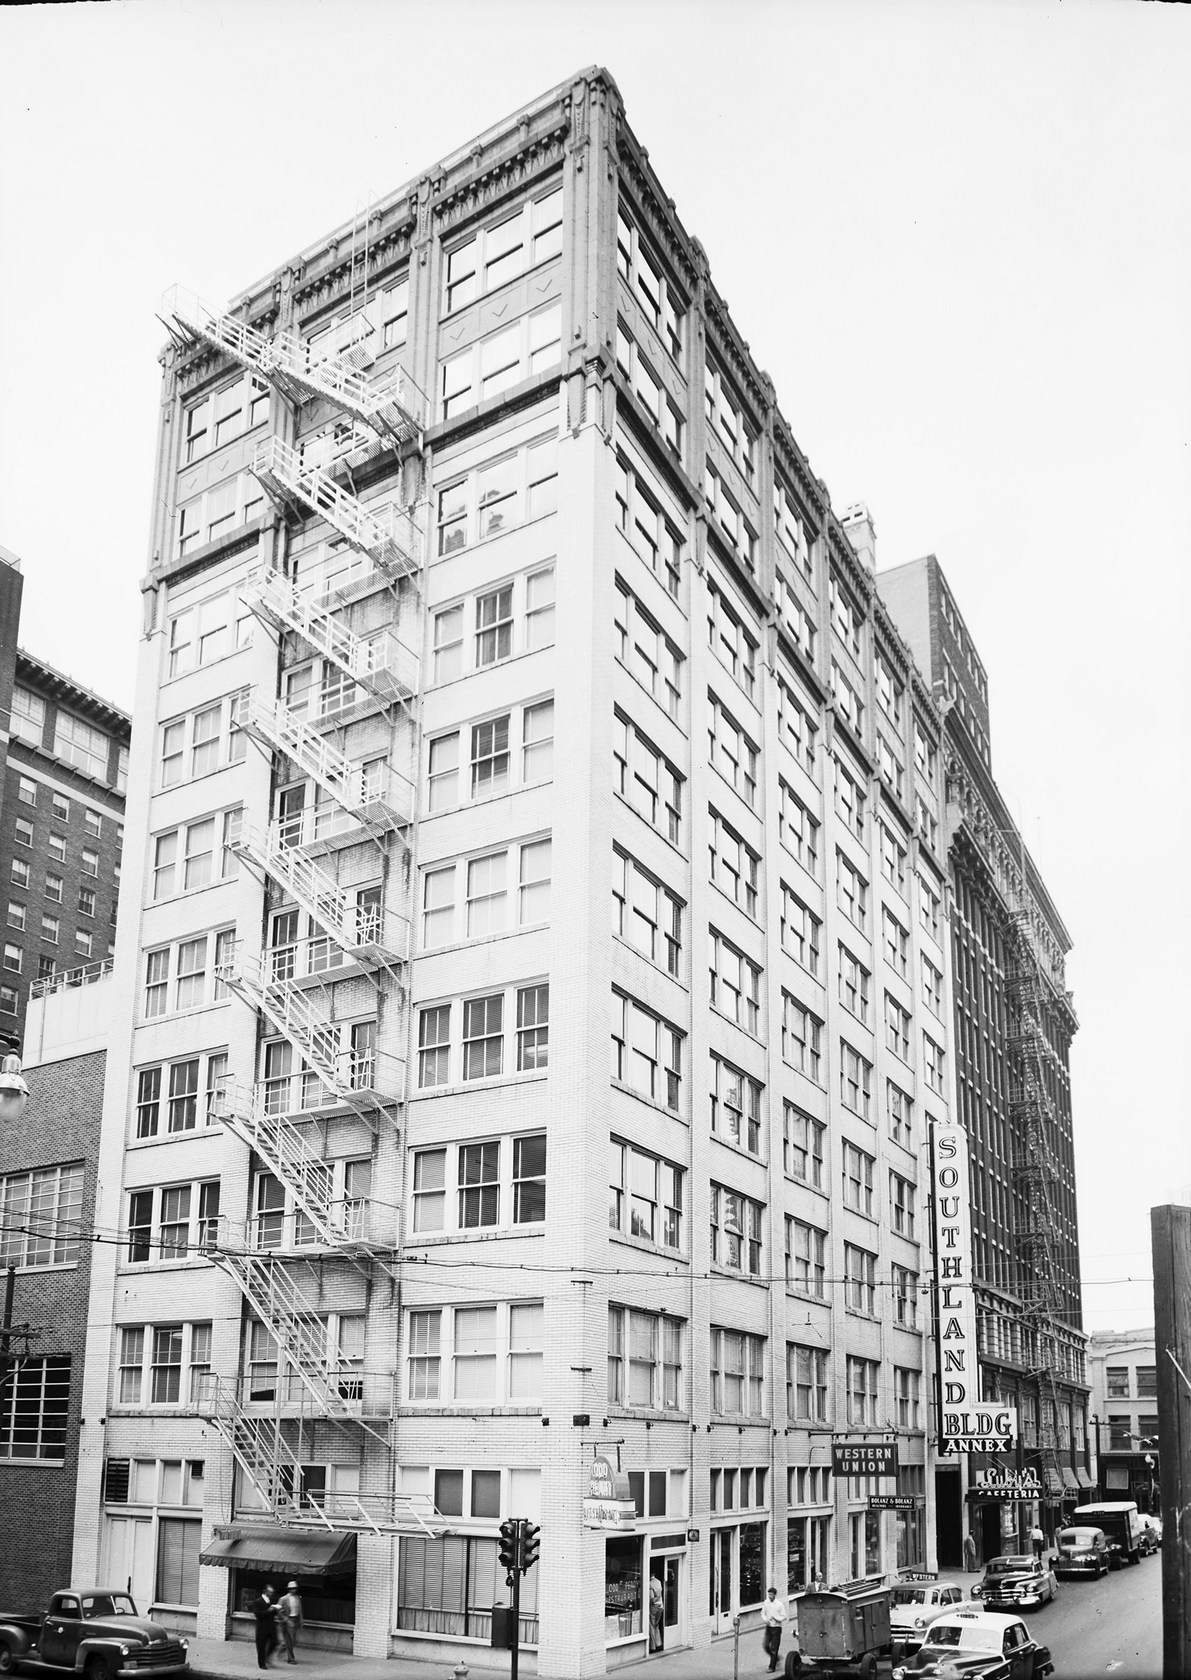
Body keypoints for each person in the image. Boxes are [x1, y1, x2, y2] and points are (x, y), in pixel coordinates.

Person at [248, 1585, 276, 1670]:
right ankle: (262, 1664)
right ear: (265, 1591)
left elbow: (273, 1613)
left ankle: (267, 1657)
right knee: (261, 1646)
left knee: (275, 1642)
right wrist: (268, 1611)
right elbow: (258, 1614)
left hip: (271, 1626)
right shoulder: (257, 1601)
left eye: (272, 1592)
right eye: (270, 1592)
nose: (271, 1594)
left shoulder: (271, 1600)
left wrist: (276, 1610)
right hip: (262, 1627)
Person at [760, 1586, 787, 1674]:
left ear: (775, 1595)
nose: (770, 1596)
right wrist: (765, 1620)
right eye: (769, 1594)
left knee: (774, 1648)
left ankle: (772, 1667)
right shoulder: (766, 1603)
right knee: (766, 1645)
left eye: (771, 1595)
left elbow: (784, 1616)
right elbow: (763, 1613)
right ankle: (777, 1658)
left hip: (776, 1628)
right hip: (768, 1627)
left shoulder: (779, 1604)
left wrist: (776, 1618)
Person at [275, 1582, 303, 1664]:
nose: (294, 1590)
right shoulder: (283, 1599)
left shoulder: (298, 1598)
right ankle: (291, 1659)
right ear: (289, 1589)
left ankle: (282, 1648)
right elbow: (278, 1610)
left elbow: (300, 1610)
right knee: (290, 1640)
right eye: (292, 1588)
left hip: (295, 1620)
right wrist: (286, 1619)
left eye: (295, 1588)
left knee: (292, 1640)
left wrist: (301, 1620)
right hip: (287, 1621)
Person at [648, 1575, 664, 1652]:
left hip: (653, 1607)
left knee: (651, 1626)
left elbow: (651, 1599)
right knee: (656, 1626)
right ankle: (659, 1644)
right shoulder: (658, 1582)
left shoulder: (650, 1584)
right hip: (660, 1606)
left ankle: (652, 1646)